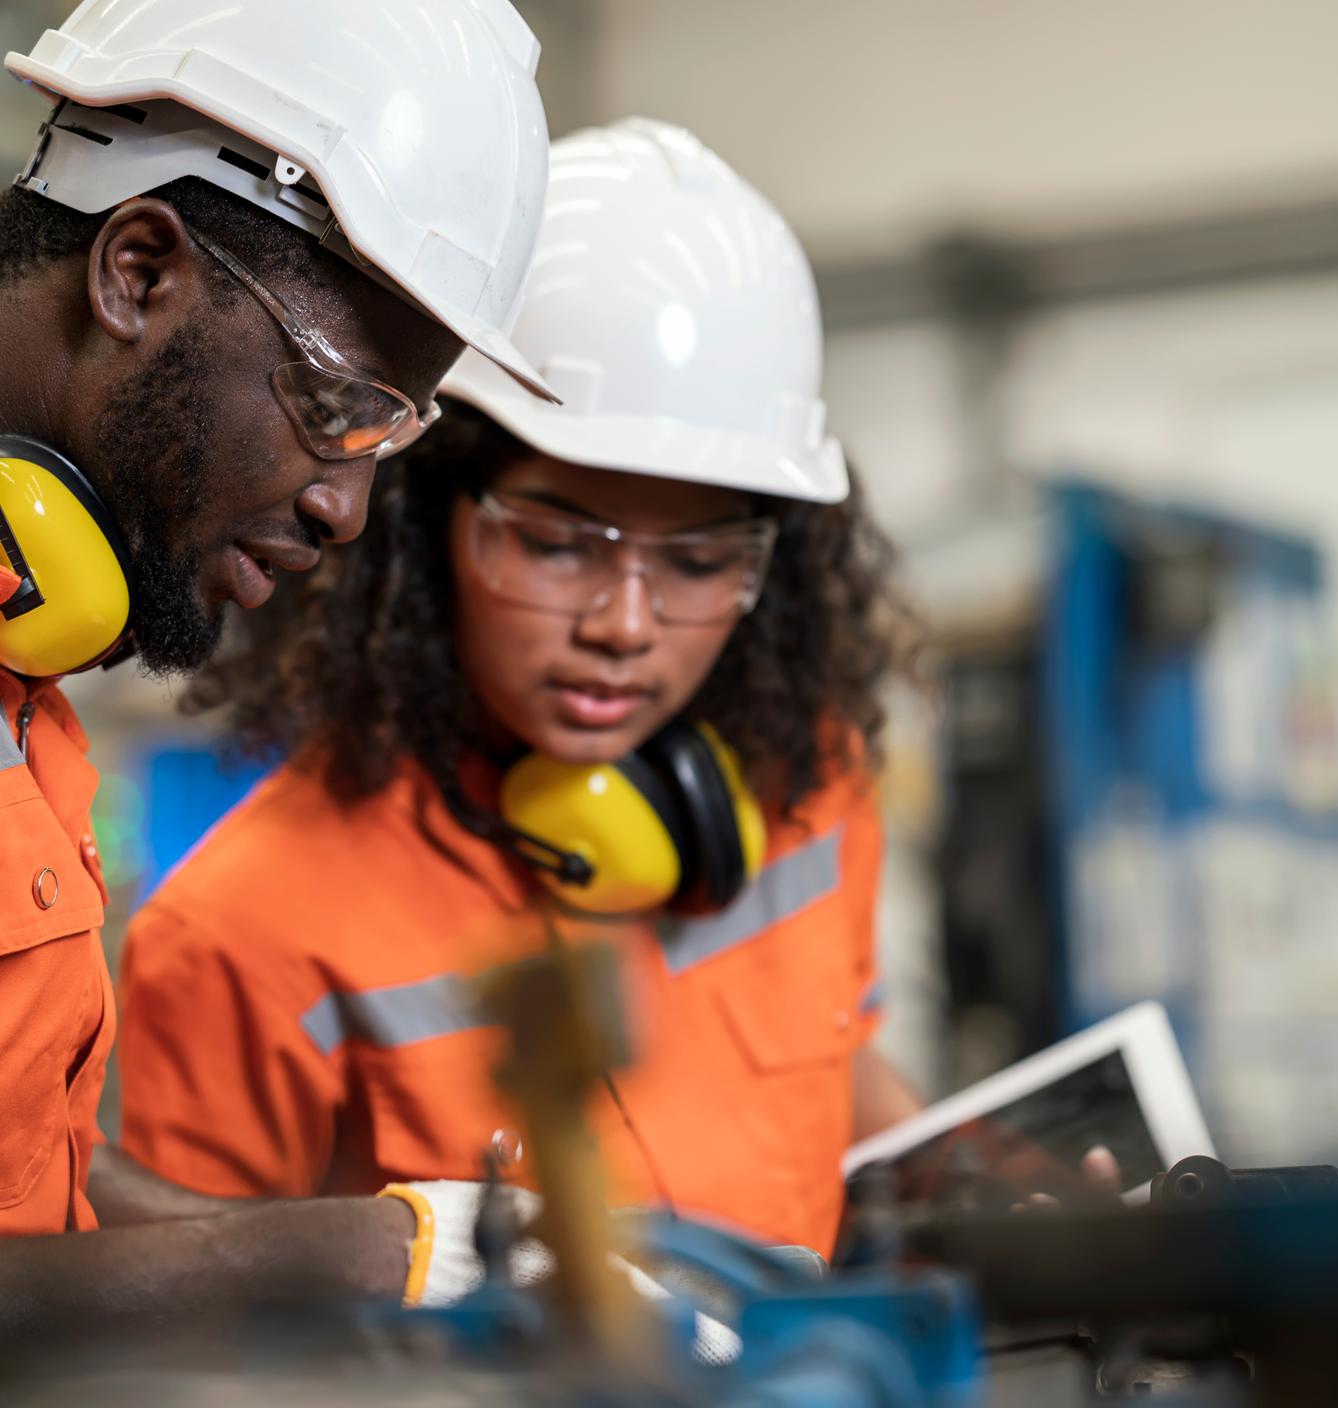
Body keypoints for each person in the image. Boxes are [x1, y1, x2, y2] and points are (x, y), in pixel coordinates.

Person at [117, 119, 923, 1262]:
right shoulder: (241, 935)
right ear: (418, 525)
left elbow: (839, 1072)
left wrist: (1002, 1185)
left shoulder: (813, 791)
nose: (624, 627)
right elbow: (194, 1328)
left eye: (697, 565)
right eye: (557, 546)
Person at [0, 0, 556, 1329]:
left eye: (386, 445)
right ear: (138, 270)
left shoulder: (31, 685)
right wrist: (329, 1265)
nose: (343, 514)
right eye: (334, 408)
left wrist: (407, 1236)